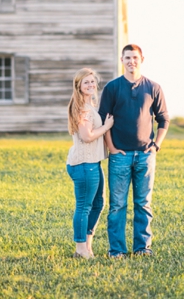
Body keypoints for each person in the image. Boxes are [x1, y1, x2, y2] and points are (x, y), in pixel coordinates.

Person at [99, 44, 169, 258]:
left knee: (143, 203)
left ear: (142, 59)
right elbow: (104, 121)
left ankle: (142, 248)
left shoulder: (153, 87)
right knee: (117, 205)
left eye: (135, 57)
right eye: (127, 57)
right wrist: (111, 147)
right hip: (120, 156)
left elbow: (164, 119)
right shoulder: (112, 88)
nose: (131, 61)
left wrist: (157, 145)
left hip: (146, 155)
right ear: (122, 60)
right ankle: (117, 250)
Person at [66, 68, 114, 259]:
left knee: (98, 203)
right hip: (83, 164)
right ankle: (80, 249)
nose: (91, 85)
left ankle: (87, 245)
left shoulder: (89, 105)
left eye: (92, 82)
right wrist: (107, 126)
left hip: (93, 162)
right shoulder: (82, 109)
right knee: (84, 206)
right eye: (86, 82)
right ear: (78, 86)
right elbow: (87, 136)